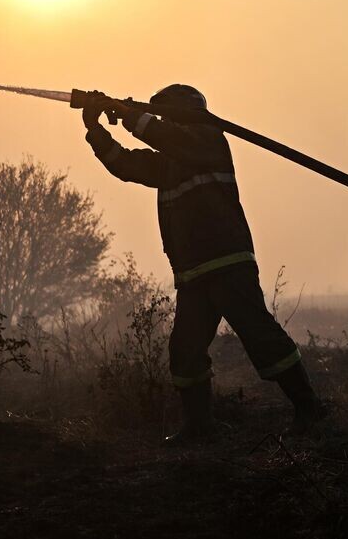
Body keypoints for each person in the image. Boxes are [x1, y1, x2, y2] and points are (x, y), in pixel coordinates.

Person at [80, 84, 325, 442]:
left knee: (259, 334)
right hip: (193, 273)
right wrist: (95, 130)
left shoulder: (208, 141)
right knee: (185, 350)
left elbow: (166, 136)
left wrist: (130, 115)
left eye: (168, 116)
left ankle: (309, 409)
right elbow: (126, 165)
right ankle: (199, 427)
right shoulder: (170, 161)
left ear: (187, 114)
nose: (164, 122)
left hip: (227, 262)